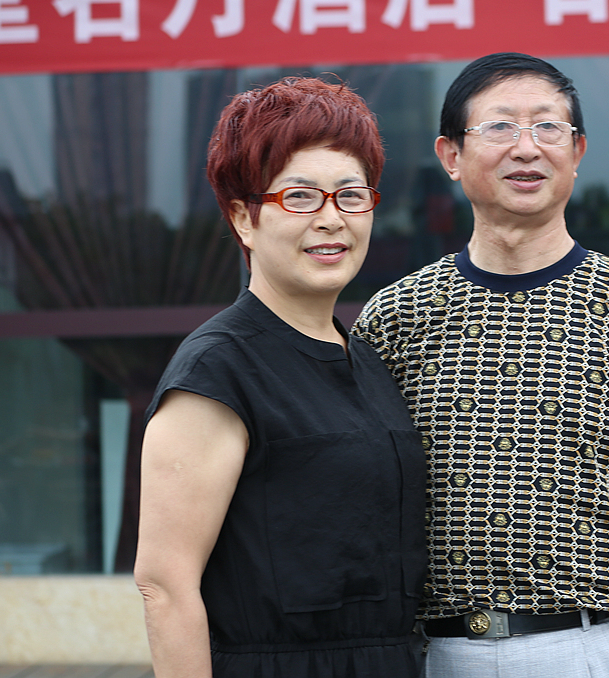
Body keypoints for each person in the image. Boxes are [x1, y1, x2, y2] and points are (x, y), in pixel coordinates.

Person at [352, 52, 609, 678]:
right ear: (451, 155)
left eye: (548, 127)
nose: (526, 148)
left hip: (598, 647)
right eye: (500, 126)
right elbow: (367, 491)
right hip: (440, 652)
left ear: (577, 152)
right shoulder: (397, 317)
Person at [133, 77, 426, 677]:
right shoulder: (217, 369)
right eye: (301, 197)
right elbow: (165, 586)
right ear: (244, 218)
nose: (332, 219)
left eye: (351, 195)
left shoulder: (369, 360)